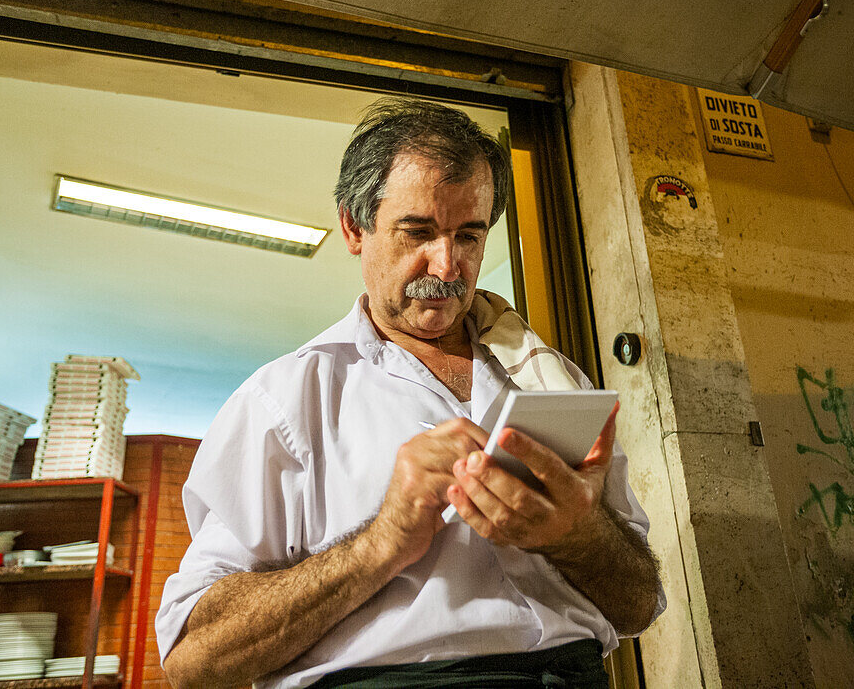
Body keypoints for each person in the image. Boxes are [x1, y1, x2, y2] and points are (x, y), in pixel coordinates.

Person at [157, 98, 664, 688]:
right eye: (417, 232)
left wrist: (575, 533)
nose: (448, 266)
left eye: (469, 236)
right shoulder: (284, 402)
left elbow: (638, 605)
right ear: (354, 226)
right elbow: (193, 660)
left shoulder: (551, 380)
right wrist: (382, 542)